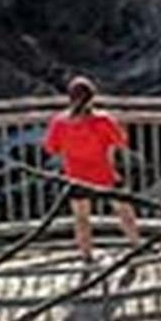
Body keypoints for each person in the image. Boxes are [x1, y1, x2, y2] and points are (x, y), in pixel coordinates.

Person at [43, 76, 143, 264]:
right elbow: (121, 141)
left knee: (81, 218)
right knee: (124, 211)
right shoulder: (102, 120)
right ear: (92, 98)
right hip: (105, 174)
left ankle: (86, 255)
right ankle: (137, 245)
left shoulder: (59, 122)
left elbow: (51, 148)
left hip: (76, 176)